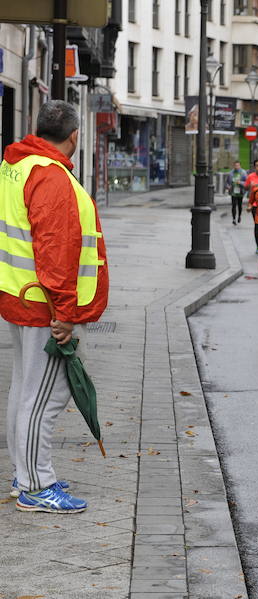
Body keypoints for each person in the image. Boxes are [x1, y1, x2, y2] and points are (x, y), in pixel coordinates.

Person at [0, 100, 109, 513]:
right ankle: (35, 485)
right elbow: (57, 250)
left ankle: (24, 473)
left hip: (19, 296)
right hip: (44, 306)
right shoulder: (52, 177)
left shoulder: (16, 166)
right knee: (46, 396)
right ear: (75, 135)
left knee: (26, 391)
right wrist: (64, 314)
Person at [226, 160, 247, 225]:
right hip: (233, 192)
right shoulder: (231, 173)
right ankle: (234, 219)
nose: (236, 167)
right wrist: (228, 186)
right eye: (235, 165)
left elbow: (246, 182)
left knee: (240, 205)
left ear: (240, 166)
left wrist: (240, 182)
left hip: (240, 191)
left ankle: (239, 216)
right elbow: (227, 182)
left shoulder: (243, 173)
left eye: (238, 165)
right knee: (233, 205)